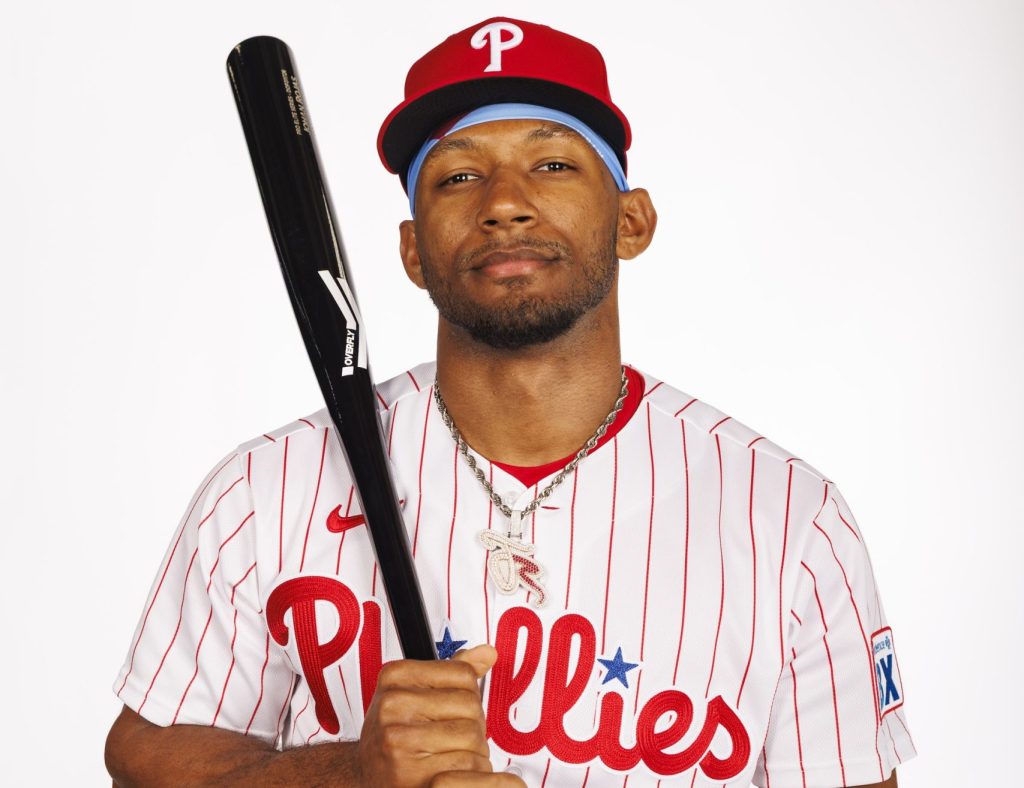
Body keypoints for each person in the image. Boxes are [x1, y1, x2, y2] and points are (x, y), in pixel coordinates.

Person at [105, 17, 915, 787]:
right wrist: (351, 772)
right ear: (413, 252)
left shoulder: (791, 522)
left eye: (554, 164)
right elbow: (143, 763)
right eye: (458, 175)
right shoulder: (266, 491)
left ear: (631, 221)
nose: (502, 201)